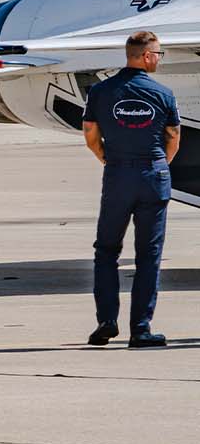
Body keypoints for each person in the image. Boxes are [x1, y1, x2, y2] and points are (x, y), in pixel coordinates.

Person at [82, 30, 179, 348]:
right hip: (152, 174)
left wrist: (105, 158)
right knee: (148, 254)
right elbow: (173, 136)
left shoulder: (100, 91)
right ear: (148, 56)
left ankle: (106, 321)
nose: (159, 61)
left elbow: (90, 132)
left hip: (117, 174)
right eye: (159, 55)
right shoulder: (163, 94)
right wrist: (157, 165)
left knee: (106, 250)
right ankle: (141, 328)